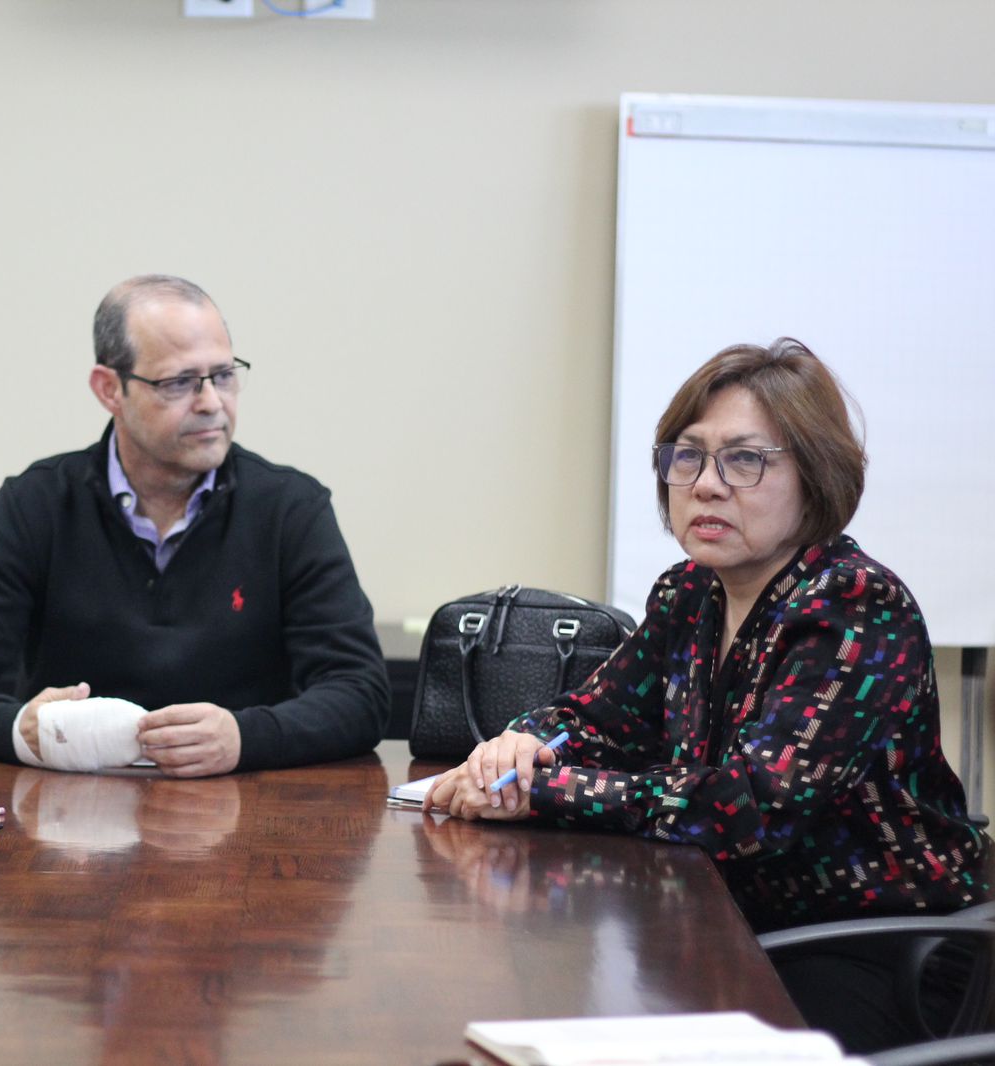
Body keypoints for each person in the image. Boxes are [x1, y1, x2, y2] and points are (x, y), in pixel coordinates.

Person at [423, 338, 990, 1052]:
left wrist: (546, 790)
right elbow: (596, 718)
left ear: (816, 476)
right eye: (687, 456)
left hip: (874, 947)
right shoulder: (690, 592)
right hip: (725, 915)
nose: (706, 485)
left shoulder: (855, 607)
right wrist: (523, 744)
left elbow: (750, 806)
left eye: (745, 460)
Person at [0, 274, 388, 777]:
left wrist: (245, 737)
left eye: (223, 375)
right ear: (110, 389)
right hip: (70, 809)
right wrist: (21, 730)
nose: (211, 402)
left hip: (243, 803)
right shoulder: (38, 504)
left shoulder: (290, 509)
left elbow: (360, 693)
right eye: (179, 382)